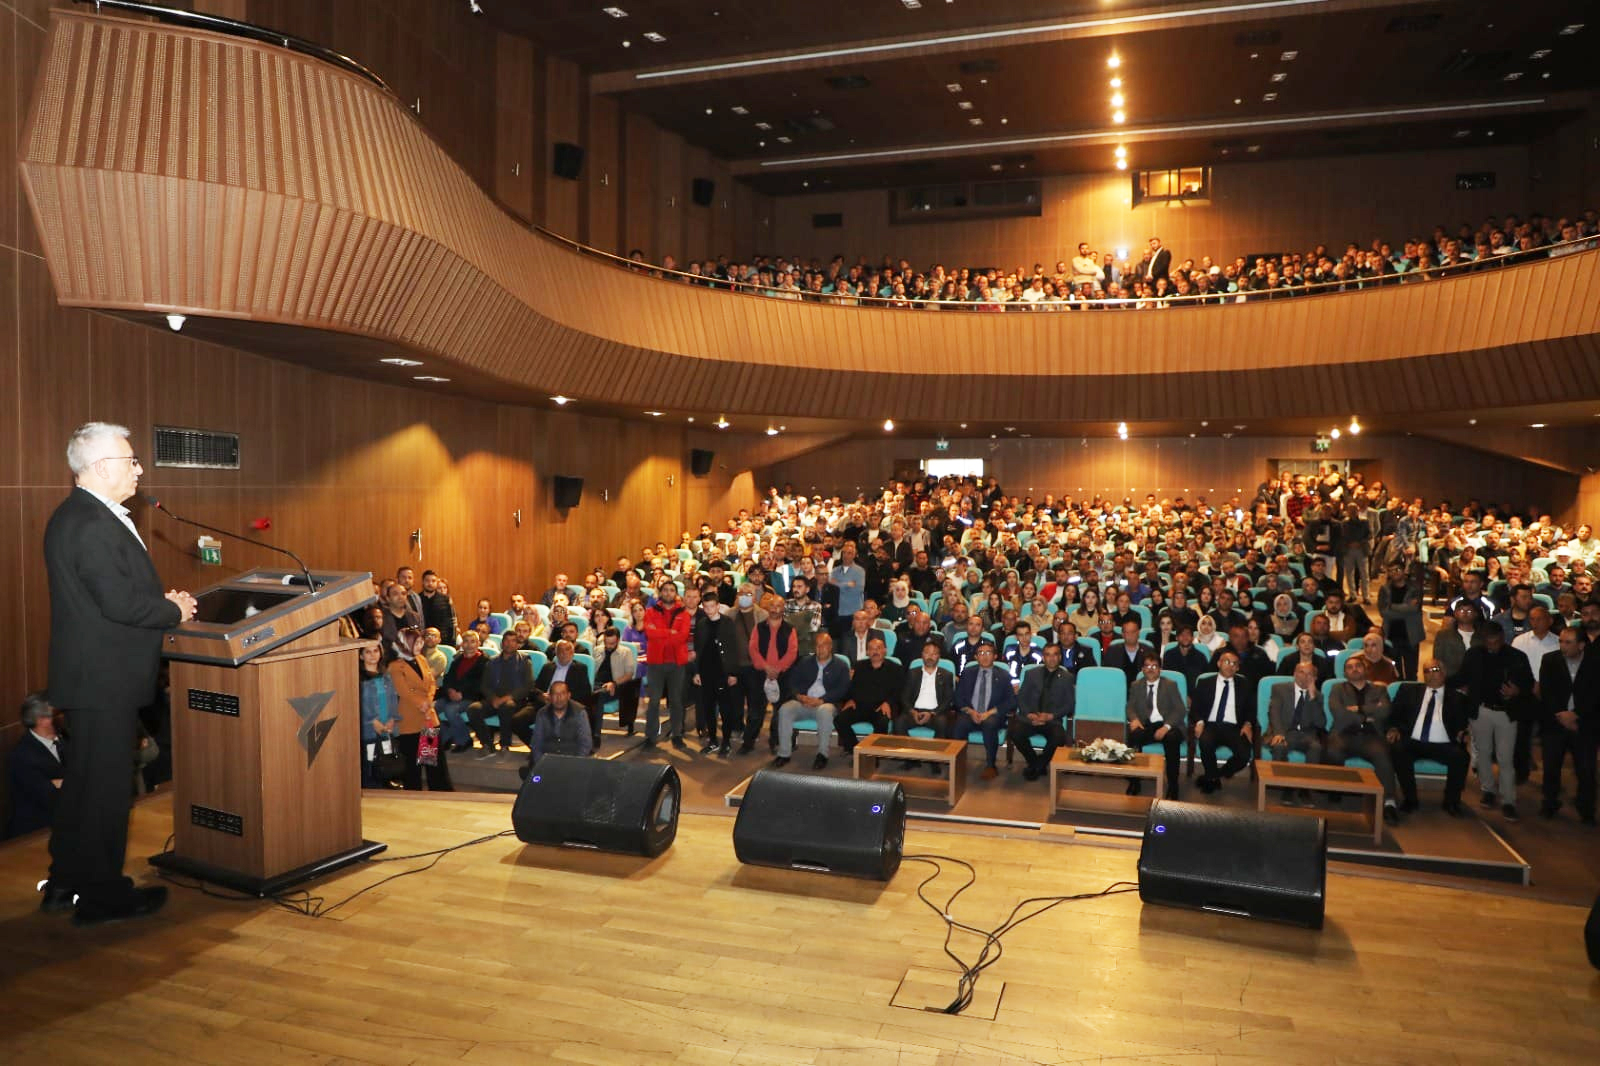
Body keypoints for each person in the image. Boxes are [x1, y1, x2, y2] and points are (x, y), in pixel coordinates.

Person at [40, 422, 196, 925]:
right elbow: (119, 602)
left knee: (84, 786)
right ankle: (103, 897)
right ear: (104, 468)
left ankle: (65, 883)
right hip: (103, 678)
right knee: (105, 793)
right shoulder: (89, 523)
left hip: (93, 676)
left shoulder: (81, 516)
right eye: (131, 461)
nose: (139, 469)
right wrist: (173, 610)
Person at [1451, 623, 1534, 820]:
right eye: (1488, 643)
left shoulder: (1516, 657)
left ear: (1502, 638)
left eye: (1495, 642)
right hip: (1481, 710)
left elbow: (1529, 683)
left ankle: (1508, 800)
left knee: (1505, 758)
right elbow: (1461, 677)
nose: (1492, 646)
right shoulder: (1474, 655)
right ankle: (1488, 790)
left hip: (1506, 713)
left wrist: (1517, 691)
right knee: (1483, 754)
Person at [1387, 661, 1471, 816]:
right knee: (1398, 749)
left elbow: (1461, 724)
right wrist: (1393, 728)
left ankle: (1451, 802)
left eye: (1435, 670)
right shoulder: (1408, 690)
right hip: (1414, 741)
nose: (1431, 674)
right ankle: (1410, 799)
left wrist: (1462, 733)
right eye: (1427, 671)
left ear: (1444, 673)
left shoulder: (1456, 697)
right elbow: (1394, 715)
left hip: (1443, 744)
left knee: (1461, 756)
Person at [1326, 655, 1401, 825]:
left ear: (1365, 669)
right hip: (1343, 734)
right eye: (1350, 667)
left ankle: (1389, 802)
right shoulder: (1337, 688)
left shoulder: (1379, 690)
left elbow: (1386, 711)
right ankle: (1334, 793)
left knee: (1383, 758)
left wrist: (1359, 709)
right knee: (1332, 752)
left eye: (1358, 666)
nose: (1354, 669)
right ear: (1345, 672)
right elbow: (1338, 714)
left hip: (1370, 736)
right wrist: (1366, 717)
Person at [1537, 626, 1598, 824]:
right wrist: (1562, 716)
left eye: (1568, 642)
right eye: (1561, 641)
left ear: (1581, 645)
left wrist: (1576, 715)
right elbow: (1547, 692)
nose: (1563, 646)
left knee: (1586, 770)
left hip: (1584, 725)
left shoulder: (1595, 662)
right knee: (1551, 767)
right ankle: (1550, 803)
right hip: (1555, 723)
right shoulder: (1550, 660)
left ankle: (1586, 808)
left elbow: (1596, 695)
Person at [773, 633, 851, 769]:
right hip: (803, 702)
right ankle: (784, 753)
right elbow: (792, 683)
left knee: (824, 711)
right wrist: (799, 696)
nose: (820, 649)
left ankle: (822, 755)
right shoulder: (805, 662)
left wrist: (822, 700)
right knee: (785, 709)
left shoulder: (841, 665)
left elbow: (842, 689)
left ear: (831, 647)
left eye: (824, 645)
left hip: (826, 704)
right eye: (818, 645)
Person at [388, 627, 452, 791]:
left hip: (428, 717)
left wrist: (429, 700)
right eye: (416, 642)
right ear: (405, 643)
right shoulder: (396, 666)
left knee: (431, 759)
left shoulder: (422, 659)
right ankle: (413, 793)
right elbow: (403, 690)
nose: (420, 645)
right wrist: (420, 703)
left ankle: (438, 791)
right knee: (412, 763)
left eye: (420, 642)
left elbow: (431, 682)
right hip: (409, 718)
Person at [1191, 650, 1255, 794]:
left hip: (1234, 727)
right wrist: (1200, 722)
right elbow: (1195, 708)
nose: (1230, 666)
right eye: (1226, 662)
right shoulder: (1205, 682)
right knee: (1205, 743)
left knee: (1244, 754)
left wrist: (1248, 724)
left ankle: (1214, 775)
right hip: (1211, 725)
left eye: (1234, 664)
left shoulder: (1244, 684)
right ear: (1219, 663)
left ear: (1238, 668)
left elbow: (1252, 709)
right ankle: (1212, 778)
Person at [1009, 643, 1074, 781]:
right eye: (1048, 655)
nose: (1051, 658)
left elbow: (1069, 704)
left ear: (1060, 657)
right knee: (1015, 733)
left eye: (1055, 654)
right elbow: (1021, 697)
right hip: (1030, 718)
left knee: (1059, 738)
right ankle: (1036, 762)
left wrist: (1051, 716)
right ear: (1043, 657)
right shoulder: (1031, 674)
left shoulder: (1067, 677)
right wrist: (1028, 714)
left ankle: (1037, 765)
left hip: (1051, 720)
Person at [953, 642, 1017, 780]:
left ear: (995, 656)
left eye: (988, 653)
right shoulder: (968, 673)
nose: (985, 656)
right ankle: (958, 762)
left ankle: (990, 765)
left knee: (989, 724)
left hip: (992, 714)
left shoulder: (1004, 675)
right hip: (971, 713)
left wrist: (989, 712)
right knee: (960, 724)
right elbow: (958, 697)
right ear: (976, 657)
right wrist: (970, 711)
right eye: (981, 653)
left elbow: (1011, 701)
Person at [1125, 653, 1186, 799]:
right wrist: (1133, 719)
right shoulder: (1136, 685)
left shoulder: (1170, 685)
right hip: (1147, 725)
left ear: (1160, 669)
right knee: (1133, 736)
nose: (1151, 669)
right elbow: (1130, 707)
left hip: (1168, 725)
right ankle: (1134, 780)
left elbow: (1180, 710)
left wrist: (1166, 727)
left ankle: (1173, 784)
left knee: (1172, 739)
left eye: (1154, 666)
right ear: (1142, 669)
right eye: (1147, 666)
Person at [7, 693, 65, 838]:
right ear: (42, 720)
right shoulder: (22, 756)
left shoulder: (66, 739)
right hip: (36, 834)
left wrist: (60, 783)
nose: (63, 716)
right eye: (57, 714)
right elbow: (48, 795)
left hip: (66, 824)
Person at [642, 581, 692, 750]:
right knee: (654, 701)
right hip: (656, 663)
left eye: (672, 590)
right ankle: (650, 736)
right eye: (665, 590)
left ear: (676, 594)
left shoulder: (684, 614)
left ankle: (677, 734)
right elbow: (650, 632)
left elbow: (683, 636)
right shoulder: (649, 612)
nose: (668, 593)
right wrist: (669, 633)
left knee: (676, 701)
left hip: (676, 663)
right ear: (660, 593)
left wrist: (662, 635)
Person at [692, 592, 743, 754]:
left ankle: (726, 740)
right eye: (705, 607)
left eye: (711, 606)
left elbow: (734, 649)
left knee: (725, 708)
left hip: (723, 673)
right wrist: (696, 672)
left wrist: (733, 673)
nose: (708, 610)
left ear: (718, 606)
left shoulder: (728, 623)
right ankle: (713, 739)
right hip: (706, 672)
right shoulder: (701, 624)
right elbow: (697, 650)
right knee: (708, 708)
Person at [836, 635, 904, 754]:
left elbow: (899, 690)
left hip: (880, 707)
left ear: (885, 650)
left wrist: (888, 703)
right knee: (839, 720)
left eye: (878, 648)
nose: (875, 651)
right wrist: (850, 699)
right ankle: (855, 750)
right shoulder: (859, 666)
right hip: (859, 706)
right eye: (872, 649)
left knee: (882, 722)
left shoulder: (895, 668)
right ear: (867, 652)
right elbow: (851, 687)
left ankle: (874, 754)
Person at [472, 631, 534, 755]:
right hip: (494, 699)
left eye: (513, 641)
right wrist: (493, 698)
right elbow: (484, 685)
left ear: (518, 645)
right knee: (473, 709)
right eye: (506, 640)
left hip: (515, 700)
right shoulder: (492, 662)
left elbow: (527, 686)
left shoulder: (524, 661)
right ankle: (487, 744)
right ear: (501, 643)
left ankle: (505, 744)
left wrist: (506, 698)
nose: (509, 644)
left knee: (507, 707)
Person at [1266, 660, 1328, 783]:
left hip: (1306, 735)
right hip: (1284, 731)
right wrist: (1278, 733)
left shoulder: (1318, 696)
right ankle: (1284, 786)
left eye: (1309, 674)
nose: (1305, 676)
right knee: (1279, 747)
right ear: (1294, 674)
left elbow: (1320, 723)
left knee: (1316, 748)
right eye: (1301, 672)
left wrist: (1312, 697)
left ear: (1314, 678)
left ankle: (1306, 788)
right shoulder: (1279, 689)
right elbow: (1274, 713)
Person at [897, 642, 955, 756]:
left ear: (939, 656)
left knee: (942, 723)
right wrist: (912, 711)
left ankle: (935, 758)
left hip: (935, 713)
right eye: (927, 653)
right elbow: (904, 696)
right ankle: (910, 757)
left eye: (934, 654)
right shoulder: (912, 673)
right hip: (914, 711)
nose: (930, 656)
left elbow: (948, 699)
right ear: (922, 655)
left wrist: (933, 713)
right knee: (899, 722)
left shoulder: (946, 674)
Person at [434, 629, 485, 753]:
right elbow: (448, 678)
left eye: (473, 642)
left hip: (471, 697)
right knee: (432, 709)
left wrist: (461, 694)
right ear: (462, 644)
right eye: (466, 641)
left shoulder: (484, 661)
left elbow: (481, 684)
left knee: (450, 710)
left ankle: (465, 740)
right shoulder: (457, 659)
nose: (469, 645)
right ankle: (446, 737)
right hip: (451, 695)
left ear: (478, 644)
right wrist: (450, 690)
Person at [358, 643, 401, 788]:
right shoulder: (358, 678)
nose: (372, 655)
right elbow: (358, 703)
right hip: (369, 728)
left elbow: (393, 699)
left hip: (386, 726)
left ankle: (385, 782)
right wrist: (372, 721)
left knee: (386, 757)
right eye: (368, 652)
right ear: (361, 655)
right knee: (370, 760)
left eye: (375, 651)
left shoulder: (386, 676)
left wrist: (392, 719)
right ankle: (370, 786)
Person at [593, 627, 641, 738]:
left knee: (598, 697)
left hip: (617, 686)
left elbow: (629, 674)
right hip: (597, 684)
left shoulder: (626, 652)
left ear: (618, 641)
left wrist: (614, 683)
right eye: (606, 643)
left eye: (612, 643)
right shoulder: (597, 650)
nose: (609, 646)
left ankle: (596, 734)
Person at [529, 681, 593, 763]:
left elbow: (586, 744)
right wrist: (541, 764)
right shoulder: (542, 713)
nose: (559, 698)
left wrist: (575, 764)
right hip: (547, 761)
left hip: (572, 761)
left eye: (562, 694)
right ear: (550, 697)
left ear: (569, 695)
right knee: (534, 775)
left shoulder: (580, 713)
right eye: (555, 694)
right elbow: (536, 744)